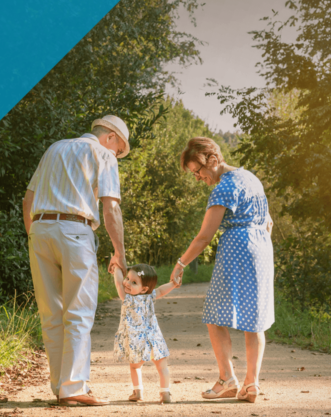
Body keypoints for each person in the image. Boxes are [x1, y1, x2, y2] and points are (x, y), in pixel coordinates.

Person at [22, 115, 130, 406]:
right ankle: (73, 387)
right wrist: (119, 253)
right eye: (118, 149)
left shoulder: (55, 148)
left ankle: (60, 387)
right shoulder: (102, 154)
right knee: (79, 312)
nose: (116, 154)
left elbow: (28, 199)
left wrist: (34, 236)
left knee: (51, 313)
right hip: (75, 230)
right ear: (110, 137)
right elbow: (111, 209)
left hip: (40, 229)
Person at [171, 137, 274, 404]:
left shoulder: (223, 188)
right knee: (255, 319)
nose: (197, 178)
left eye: (198, 171)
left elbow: (204, 237)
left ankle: (227, 379)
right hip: (262, 249)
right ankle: (251, 384)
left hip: (237, 249)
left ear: (213, 161)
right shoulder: (251, 178)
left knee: (215, 315)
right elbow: (269, 222)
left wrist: (180, 264)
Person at [113, 264, 181, 404]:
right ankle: (165, 392)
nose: (127, 283)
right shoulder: (150, 296)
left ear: (144, 289)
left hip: (137, 341)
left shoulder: (128, 298)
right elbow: (161, 290)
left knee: (135, 366)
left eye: (134, 282)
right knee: (162, 367)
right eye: (127, 278)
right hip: (154, 337)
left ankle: (138, 392)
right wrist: (173, 284)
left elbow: (118, 284)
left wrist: (116, 269)